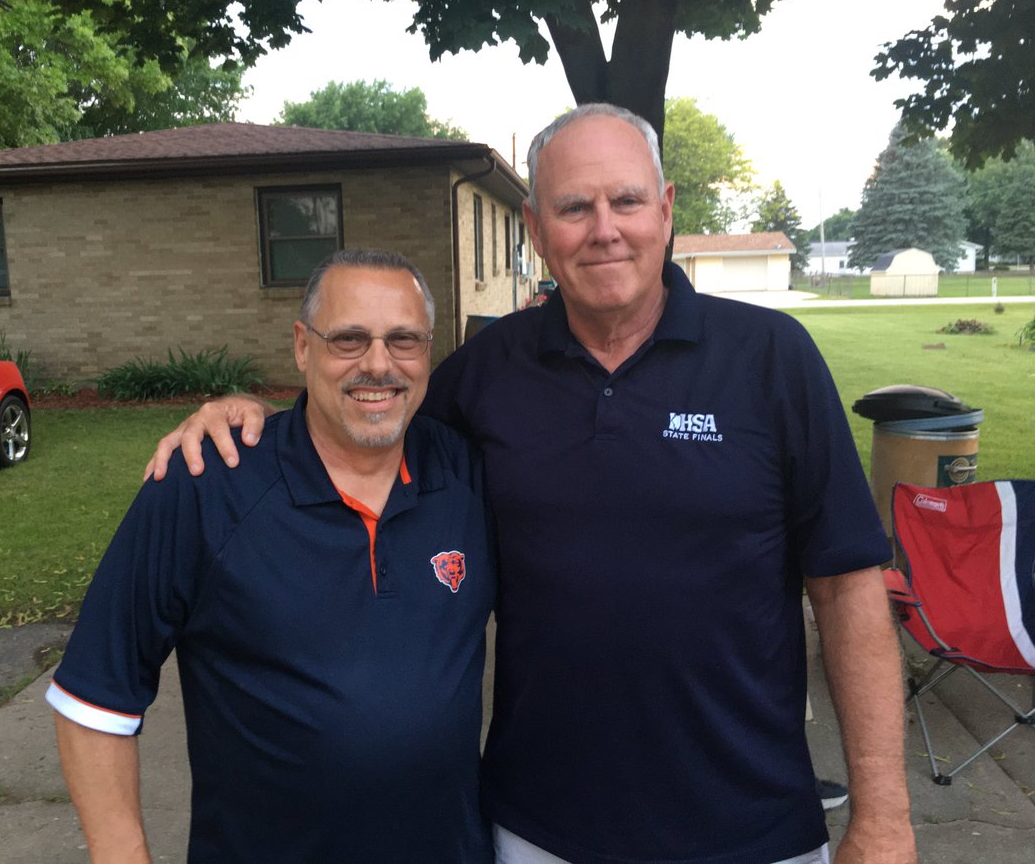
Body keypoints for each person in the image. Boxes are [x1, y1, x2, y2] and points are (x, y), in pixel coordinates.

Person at [147, 105, 917, 864]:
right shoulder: (486, 374)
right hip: (542, 830)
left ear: (666, 208)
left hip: (752, 828)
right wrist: (252, 418)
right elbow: (361, 426)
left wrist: (883, 817)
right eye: (574, 208)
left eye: (626, 201)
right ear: (536, 229)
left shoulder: (772, 359)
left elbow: (847, 587)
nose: (604, 229)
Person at [49, 249, 497, 862]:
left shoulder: (467, 475)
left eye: (403, 339)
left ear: (428, 352)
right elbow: (94, 698)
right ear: (302, 347)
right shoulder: (207, 485)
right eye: (348, 339)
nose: (378, 364)